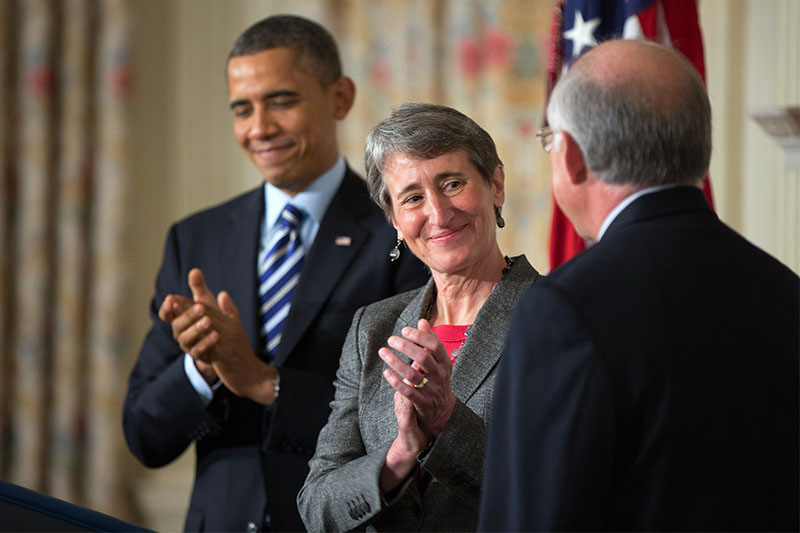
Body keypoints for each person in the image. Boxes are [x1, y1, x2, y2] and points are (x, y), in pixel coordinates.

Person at [479, 39, 800, 532]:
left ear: (572, 159)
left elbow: (530, 518)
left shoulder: (564, 310)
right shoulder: (784, 289)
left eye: (550, 140)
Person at [122, 16, 427, 532]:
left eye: (281, 101)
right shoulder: (195, 239)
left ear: (340, 98)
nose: (259, 128)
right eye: (243, 108)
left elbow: (403, 428)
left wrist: (266, 383)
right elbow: (144, 436)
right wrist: (203, 371)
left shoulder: (400, 233)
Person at [296, 102, 539, 531]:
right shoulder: (372, 328)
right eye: (412, 198)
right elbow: (316, 504)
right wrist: (398, 458)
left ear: (496, 185)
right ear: (393, 220)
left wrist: (447, 420)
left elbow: (554, 488)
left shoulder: (556, 317)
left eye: (452, 183)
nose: (439, 214)